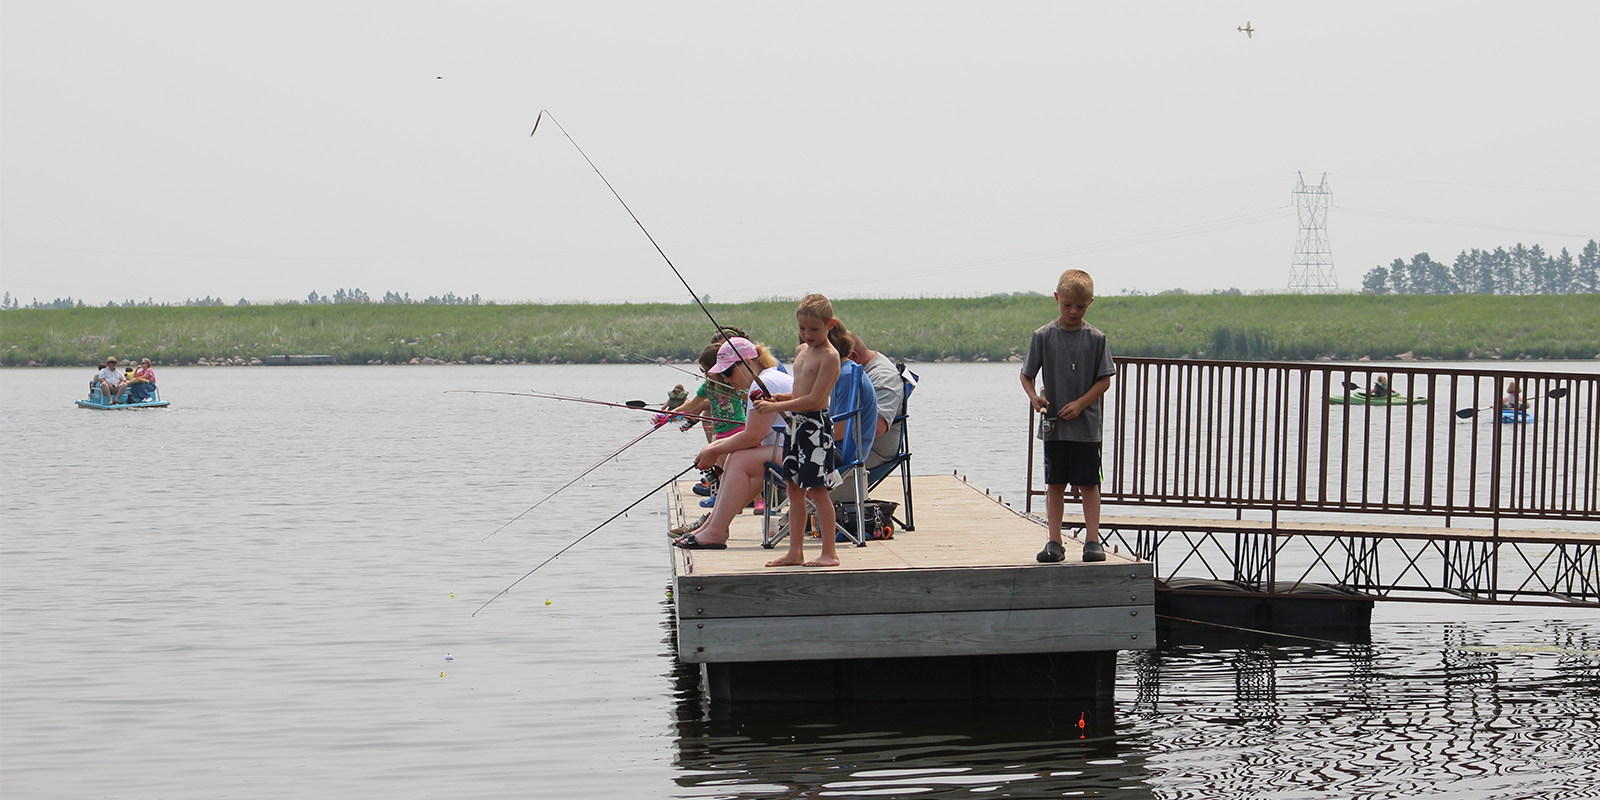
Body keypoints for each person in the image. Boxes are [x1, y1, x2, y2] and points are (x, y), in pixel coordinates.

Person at [1020, 269, 1116, 563]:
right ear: (1057, 299)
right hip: (1055, 428)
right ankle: (1054, 541)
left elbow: (1104, 380)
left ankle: (1092, 540)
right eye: (1068, 305)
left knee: (1089, 483)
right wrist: (1035, 397)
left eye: (1081, 306)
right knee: (1055, 484)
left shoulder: (1097, 339)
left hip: (1087, 428)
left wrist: (1080, 404)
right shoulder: (1043, 336)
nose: (1073, 311)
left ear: (1090, 304)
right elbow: (1026, 376)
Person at [671, 337, 794, 547]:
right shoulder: (764, 380)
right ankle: (712, 526)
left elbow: (752, 437)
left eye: (728, 372)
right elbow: (753, 434)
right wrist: (713, 448)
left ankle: (715, 531)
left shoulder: (763, 385)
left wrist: (712, 449)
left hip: (801, 454)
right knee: (737, 457)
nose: (726, 380)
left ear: (747, 362)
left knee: (738, 460)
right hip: (788, 450)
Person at [751, 294, 845, 568]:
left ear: (830, 324)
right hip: (795, 426)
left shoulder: (830, 356)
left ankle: (830, 553)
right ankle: (795, 552)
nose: (807, 334)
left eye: (814, 329)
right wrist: (780, 400)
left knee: (817, 490)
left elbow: (816, 399)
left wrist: (776, 408)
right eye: (802, 328)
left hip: (815, 427)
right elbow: (801, 391)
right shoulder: (802, 351)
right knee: (793, 488)